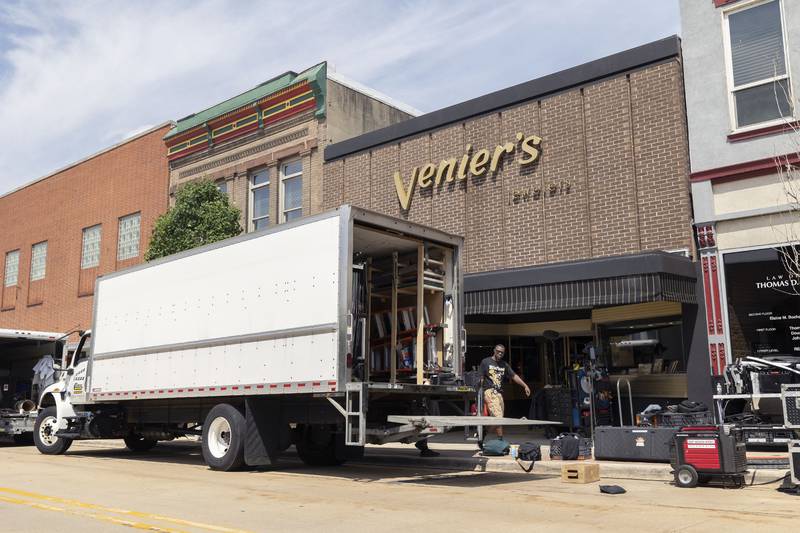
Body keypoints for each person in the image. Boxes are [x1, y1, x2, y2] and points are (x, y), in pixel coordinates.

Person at [480, 344, 530, 441]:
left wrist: (525, 385)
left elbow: (514, 376)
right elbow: (481, 378)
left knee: (499, 419)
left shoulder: (504, 364)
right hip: (489, 392)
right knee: (498, 418)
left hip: (499, 394)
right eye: (498, 351)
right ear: (494, 350)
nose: (500, 353)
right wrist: (481, 394)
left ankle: (484, 433)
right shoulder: (485, 362)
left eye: (502, 352)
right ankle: (500, 440)